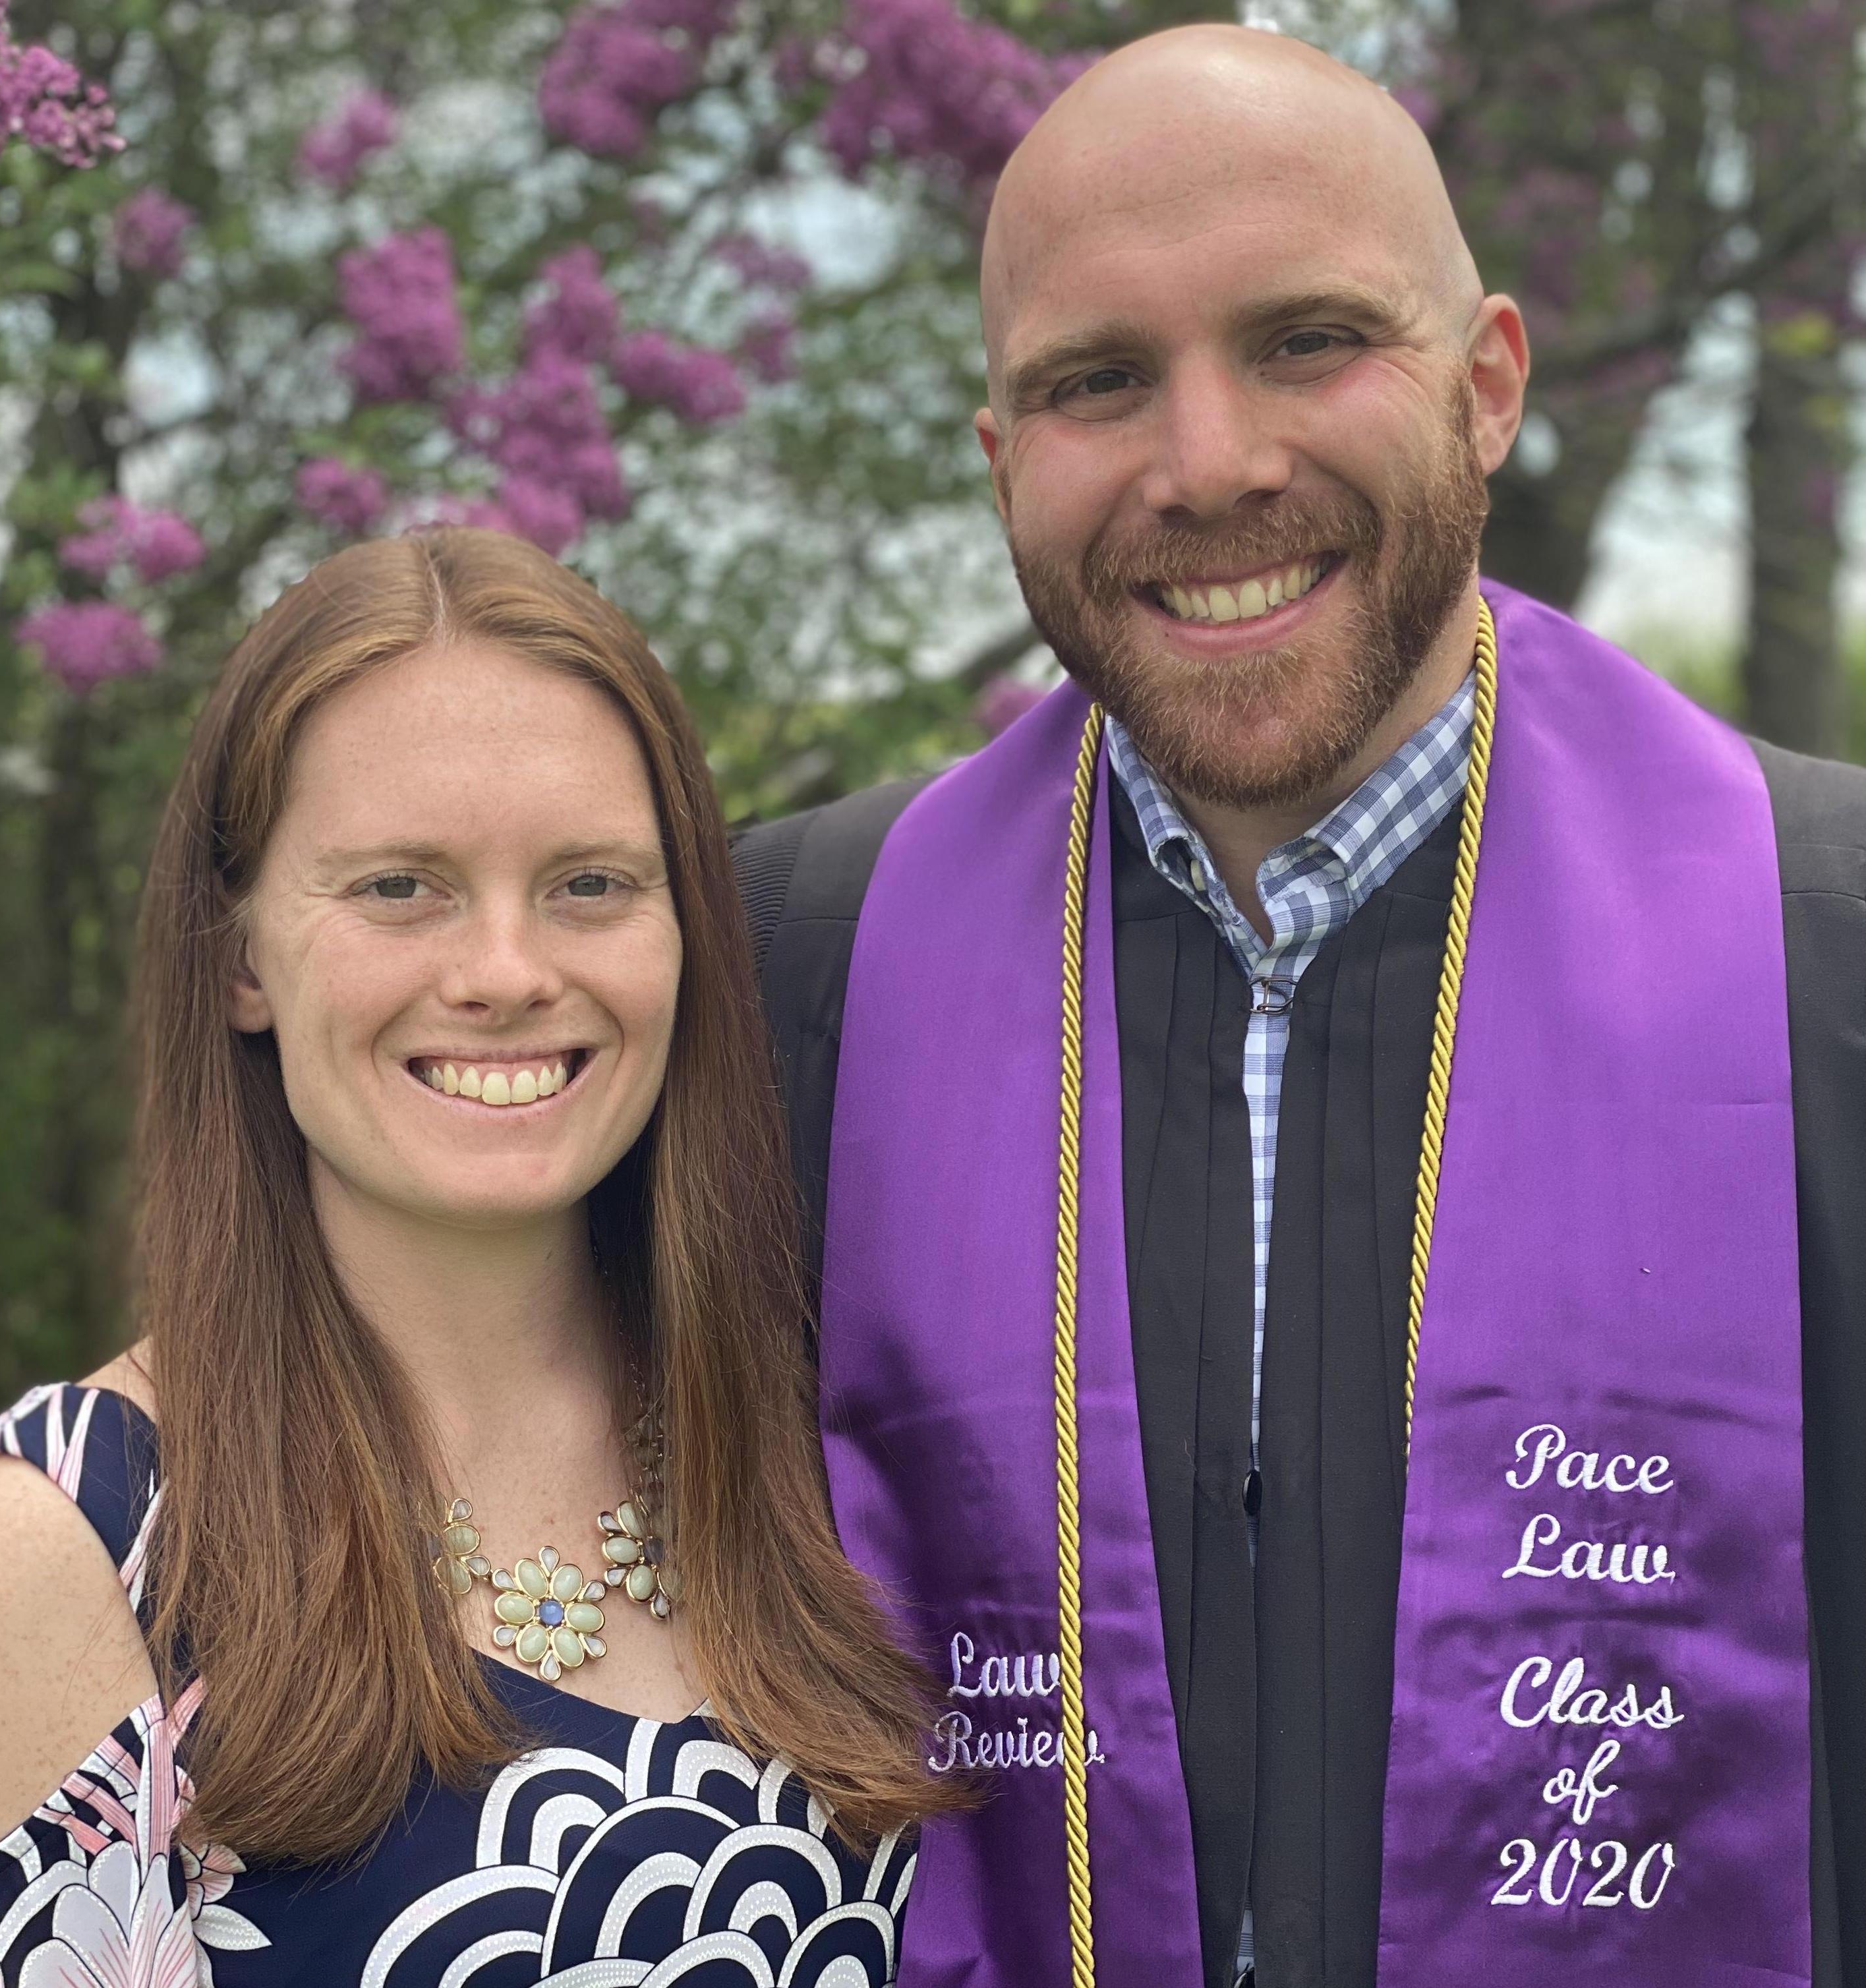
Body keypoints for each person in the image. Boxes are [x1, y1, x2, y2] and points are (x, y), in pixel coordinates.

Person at [733, 24, 1865, 1988]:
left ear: (1487, 383)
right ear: (1005, 459)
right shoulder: (802, 963)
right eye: (1097, 383)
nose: (1211, 464)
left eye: (1307, 341)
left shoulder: (1829, 944)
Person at [0, 528, 954, 1984]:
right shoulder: (68, 1546)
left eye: (590, 883)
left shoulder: (819, 1450)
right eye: (400, 885)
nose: (507, 971)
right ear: (242, 952)